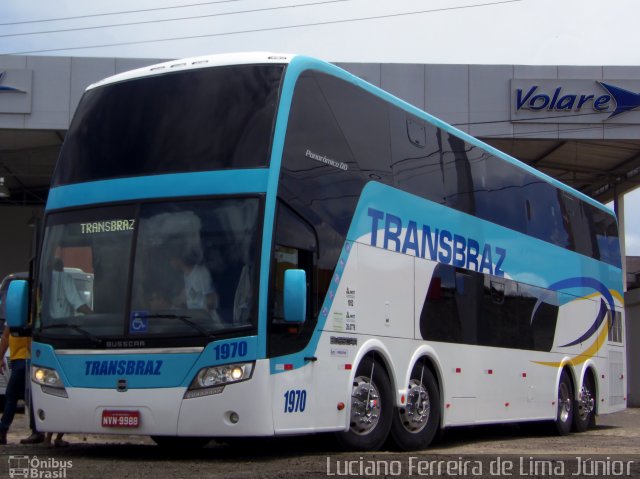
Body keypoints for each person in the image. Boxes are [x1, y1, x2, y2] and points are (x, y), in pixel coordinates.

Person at [0, 325, 43, 445]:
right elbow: (5, 336)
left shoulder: (28, 315)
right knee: (26, 397)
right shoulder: (14, 316)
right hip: (17, 359)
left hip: (24, 359)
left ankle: (3, 430)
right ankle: (37, 431)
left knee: (11, 395)